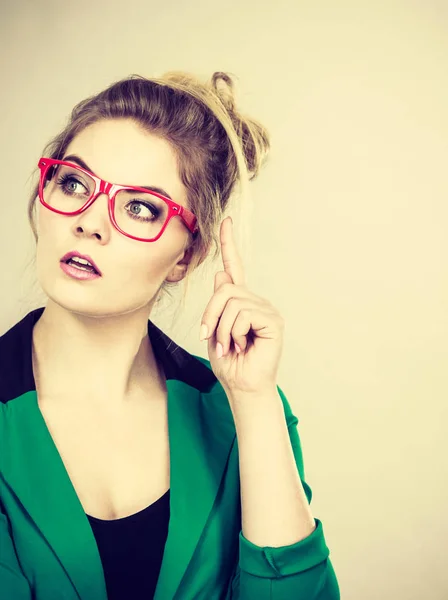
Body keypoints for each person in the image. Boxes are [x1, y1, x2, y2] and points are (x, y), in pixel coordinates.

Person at [0, 71, 340, 599]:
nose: (91, 222)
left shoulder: (239, 415)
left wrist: (253, 402)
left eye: (140, 207)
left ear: (187, 255)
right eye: (73, 183)